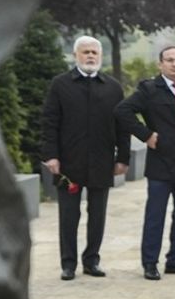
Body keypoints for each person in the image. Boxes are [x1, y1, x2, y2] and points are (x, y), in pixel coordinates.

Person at [114, 46, 175, 280]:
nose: (174, 64)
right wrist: (146, 135)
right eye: (169, 60)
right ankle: (150, 262)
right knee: (155, 216)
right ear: (160, 64)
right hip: (161, 163)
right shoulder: (149, 89)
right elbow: (122, 111)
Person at [41, 36, 130, 281]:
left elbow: (123, 125)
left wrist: (122, 157)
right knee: (69, 215)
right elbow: (50, 122)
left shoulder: (113, 87)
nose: (90, 56)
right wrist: (51, 155)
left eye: (94, 52)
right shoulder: (60, 85)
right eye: (85, 52)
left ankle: (91, 260)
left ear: (100, 56)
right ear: (75, 55)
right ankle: (68, 264)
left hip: (102, 161)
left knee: (98, 213)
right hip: (68, 162)